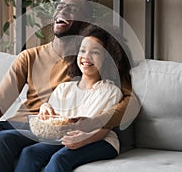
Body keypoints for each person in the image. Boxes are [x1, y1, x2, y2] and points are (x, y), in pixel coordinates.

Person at [0, 0, 131, 172]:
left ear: (86, 21)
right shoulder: (30, 57)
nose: (63, 11)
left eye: (73, 9)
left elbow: (126, 99)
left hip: (46, 131)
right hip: (18, 123)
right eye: (60, 7)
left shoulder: (90, 61)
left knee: (5, 140)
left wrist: (95, 121)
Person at [15, 24, 132, 172]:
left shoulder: (110, 91)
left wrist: (85, 139)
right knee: (29, 153)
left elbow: (104, 128)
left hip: (100, 141)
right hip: (65, 138)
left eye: (95, 52)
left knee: (60, 159)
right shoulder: (65, 88)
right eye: (82, 51)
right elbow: (55, 123)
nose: (86, 56)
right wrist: (45, 109)